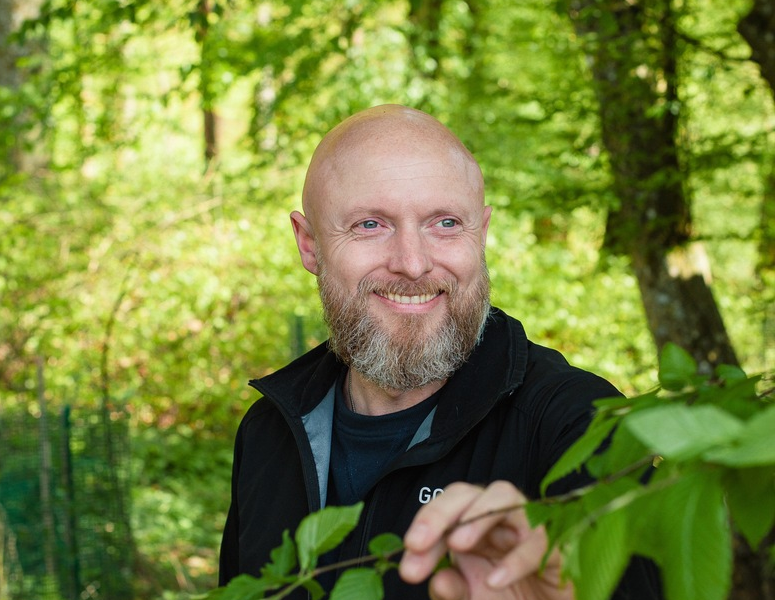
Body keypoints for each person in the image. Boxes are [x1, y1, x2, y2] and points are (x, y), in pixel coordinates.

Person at [218, 104, 660, 599]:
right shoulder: (267, 432)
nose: (412, 263)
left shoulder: (580, 426)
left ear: (482, 234)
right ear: (309, 244)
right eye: (370, 225)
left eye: (446, 223)